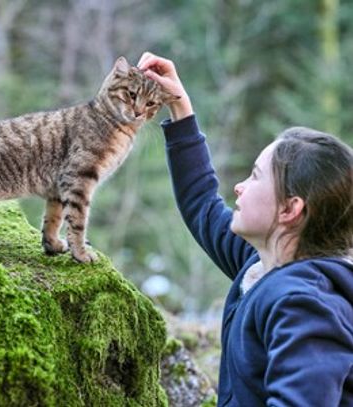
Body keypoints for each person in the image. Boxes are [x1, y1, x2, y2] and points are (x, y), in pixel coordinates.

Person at [137, 52, 353, 406]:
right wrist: (180, 109)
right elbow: (201, 204)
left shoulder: (307, 305)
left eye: (254, 176)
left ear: (289, 209)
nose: (239, 187)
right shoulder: (263, 265)